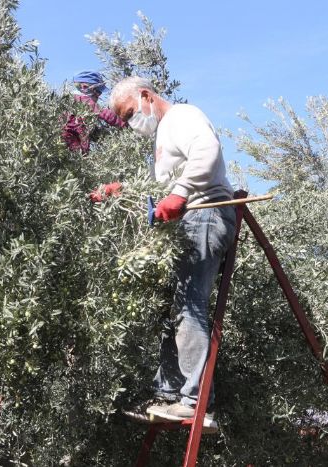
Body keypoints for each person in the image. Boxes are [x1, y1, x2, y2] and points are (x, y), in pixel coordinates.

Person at [101, 76, 237, 431]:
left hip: (206, 214)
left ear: (146, 96)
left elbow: (206, 153)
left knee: (190, 305)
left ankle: (194, 402)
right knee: (173, 309)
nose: (132, 122)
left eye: (131, 112)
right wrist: (123, 190)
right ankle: (168, 393)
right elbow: (161, 188)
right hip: (189, 221)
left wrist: (180, 195)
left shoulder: (183, 116)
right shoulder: (163, 135)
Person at [61, 70, 126, 154]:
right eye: (98, 90)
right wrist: (126, 124)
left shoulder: (72, 99)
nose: (99, 95)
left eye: (100, 92)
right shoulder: (82, 100)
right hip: (71, 145)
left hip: (72, 144)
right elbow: (105, 114)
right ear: (84, 87)